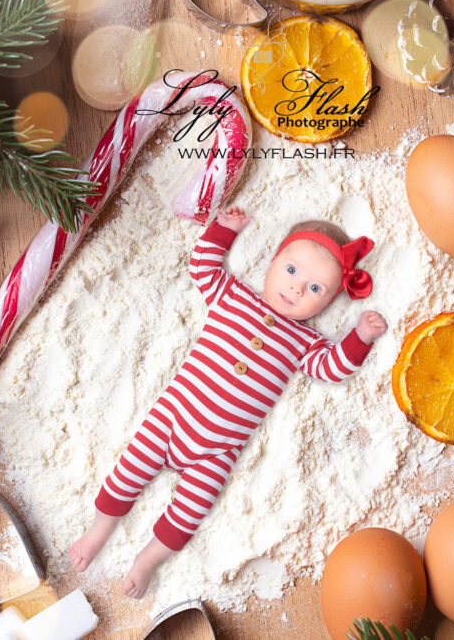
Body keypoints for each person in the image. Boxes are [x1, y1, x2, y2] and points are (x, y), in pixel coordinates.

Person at [67, 206, 388, 598]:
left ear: (330, 301)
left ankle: (149, 558)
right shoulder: (233, 296)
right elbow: (203, 268)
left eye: (316, 289)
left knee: (189, 512)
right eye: (291, 271)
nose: (297, 289)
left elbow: (332, 368)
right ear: (272, 262)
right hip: (172, 417)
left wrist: (360, 337)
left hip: (217, 452)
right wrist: (225, 229)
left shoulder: (305, 342)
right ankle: (99, 529)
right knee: (127, 473)